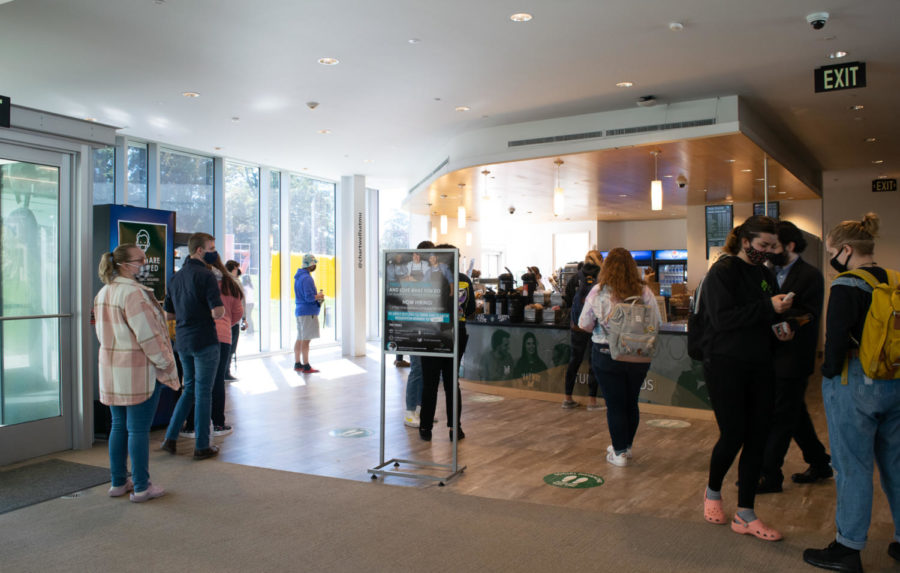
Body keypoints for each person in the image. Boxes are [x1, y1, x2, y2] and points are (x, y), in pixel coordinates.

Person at [804, 213, 900, 573]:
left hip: (854, 381)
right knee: (896, 464)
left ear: (845, 250)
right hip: (895, 378)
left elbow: (835, 344)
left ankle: (847, 547)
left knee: (852, 466)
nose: (831, 258)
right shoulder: (894, 279)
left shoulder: (847, 284)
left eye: (831, 251)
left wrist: (827, 374)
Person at [697, 215, 793, 541]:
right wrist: (768, 307)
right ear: (745, 240)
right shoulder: (721, 273)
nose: (766, 251)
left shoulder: (766, 274)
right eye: (762, 245)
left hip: (760, 363)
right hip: (725, 363)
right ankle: (712, 493)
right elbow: (723, 320)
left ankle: (746, 513)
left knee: (758, 437)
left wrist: (782, 326)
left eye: (771, 246)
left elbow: (767, 315)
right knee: (734, 433)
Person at [95, 244, 180, 502]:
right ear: (123, 264)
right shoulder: (134, 295)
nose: (143, 264)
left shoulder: (104, 292)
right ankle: (142, 487)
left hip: (111, 369)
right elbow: (148, 335)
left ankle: (119, 482)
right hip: (138, 371)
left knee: (119, 426)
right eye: (139, 260)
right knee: (138, 430)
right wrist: (166, 363)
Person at [758, 220, 830, 493]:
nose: (768, 251)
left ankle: (769, 474)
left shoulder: (810, 276)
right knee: (793, 413)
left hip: (794, 356)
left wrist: (783, 317)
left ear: (789, 246)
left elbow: (809, 314)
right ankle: (820, 462)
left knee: (780, 417)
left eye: (773, 246)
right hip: (769, 355)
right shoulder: (766, 273)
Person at [578, 248, 661, 468]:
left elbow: (583, 324)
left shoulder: (598, 291)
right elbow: (657, 321)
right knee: (630, 401)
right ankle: (626, 447)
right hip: (638, 354)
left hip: (606, 354)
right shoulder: (644, 291)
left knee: (614, 404)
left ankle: (619, 452)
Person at [161, 232, 225, 460]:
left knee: (188, 388)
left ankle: (170, 438)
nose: (214, 251)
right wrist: (220, 310)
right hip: (204, 339)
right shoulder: (206, 276)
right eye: (211, 247)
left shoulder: (175, 278)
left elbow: (168, 314)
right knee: (203, 392)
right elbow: (217, 311)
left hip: (183, 340)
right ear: (200, 250)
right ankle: (202, 445)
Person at [419, 244, 475, 441]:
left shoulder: (427, 278)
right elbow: (470, 311)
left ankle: (425, 429)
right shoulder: (465, 280)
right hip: (456, 334)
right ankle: (455, 429)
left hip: (431, 334)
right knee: (452, 383)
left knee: (429, 384)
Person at [182, 253, 242, 437]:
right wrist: (224, 323)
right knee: (216, 381)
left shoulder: (194, 280)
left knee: (193, 381)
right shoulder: (230, 283)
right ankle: (218, 424)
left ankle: (192, 425)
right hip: (222, 336)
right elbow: (238, 312)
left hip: (195, 335)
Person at [562, 250, 602, 410]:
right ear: (600, 260)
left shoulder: (576, 276)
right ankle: (592, 401)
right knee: (594, 363)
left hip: (577, 324)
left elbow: (568, 297)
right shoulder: (602, 277)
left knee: (574, 360)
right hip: (594, 325)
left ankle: (567, 398)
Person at [403, 241, 434, 428]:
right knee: (416, 369)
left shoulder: (429, 275)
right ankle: (409, 411)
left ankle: (422, 410)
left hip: (427, 327)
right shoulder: (411, 277)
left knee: (425, 370)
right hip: (414, 327)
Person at [294, 254, 324, 373]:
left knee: (300, 338)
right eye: (314, 263)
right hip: (308, 312)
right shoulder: (307, 278)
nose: (315, 265)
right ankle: (306, 365)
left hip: (300, 311)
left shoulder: (299, 277)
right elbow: (309, 298)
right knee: (306, 340)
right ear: (310, 265)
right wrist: (319, 296)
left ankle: (297, 363)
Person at [223, 260, 246, 381]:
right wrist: (243, 318)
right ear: (233, 269)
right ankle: (226, 372)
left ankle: (224, 371)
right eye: (237, 268)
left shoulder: (223, 282)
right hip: (232, 321)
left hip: (226, 319)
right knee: (230, 347)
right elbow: (241, 302)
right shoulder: (235, 283)